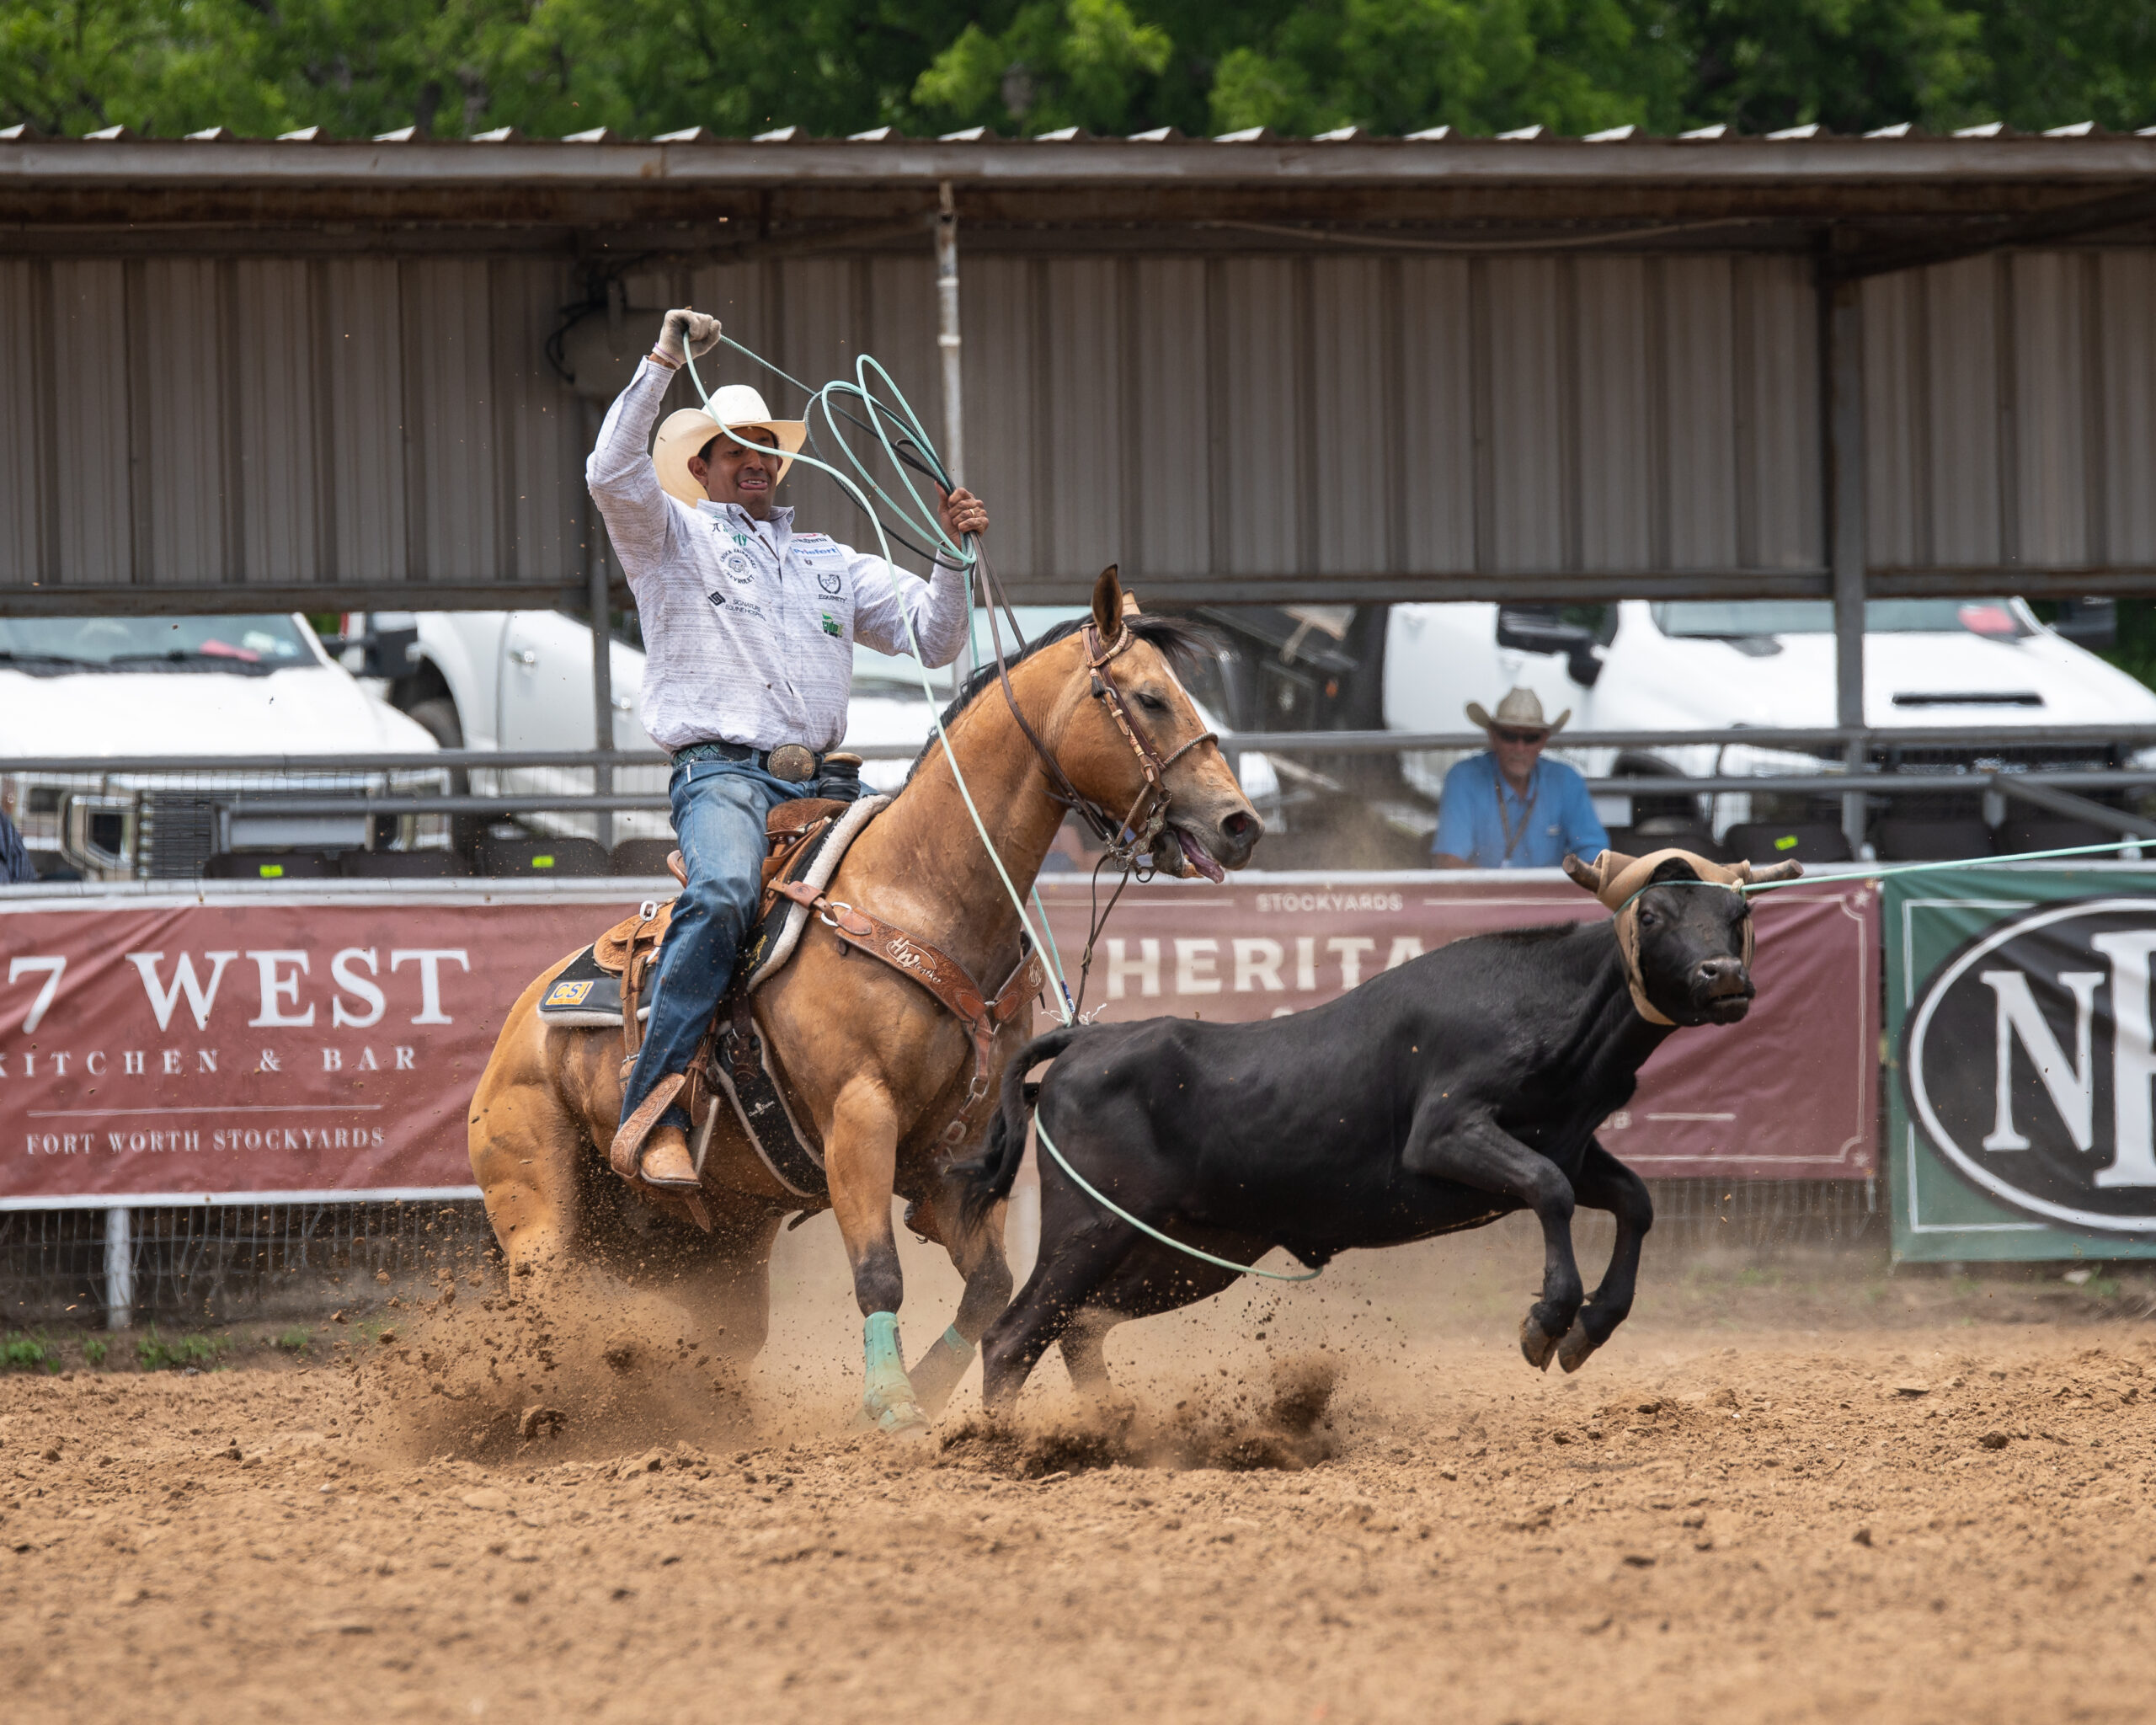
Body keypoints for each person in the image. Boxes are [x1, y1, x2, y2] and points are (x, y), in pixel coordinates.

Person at [586, 307, 990, 1192]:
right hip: (721, 774)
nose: (754, 458)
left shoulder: (830, 562)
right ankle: (656, 1104)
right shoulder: (669, 537)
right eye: (733, 447)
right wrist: (663, 357)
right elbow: (610, 469)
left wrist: (952, 554)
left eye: (764, 444)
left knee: (928, 895)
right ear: (699, 467)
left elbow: (932, 638)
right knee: (727, 889)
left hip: (828, 785)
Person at [1431, 686, 1608, 870]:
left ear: (1543, 740)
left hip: (1543, 897)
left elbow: (1596, 858)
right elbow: (1449, 862)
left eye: (1530, 738)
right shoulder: (1464, 778)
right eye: (1509, 736)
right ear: (1493, 735)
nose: (1520, 748)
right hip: (1484, 897)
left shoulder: (1566, 781)